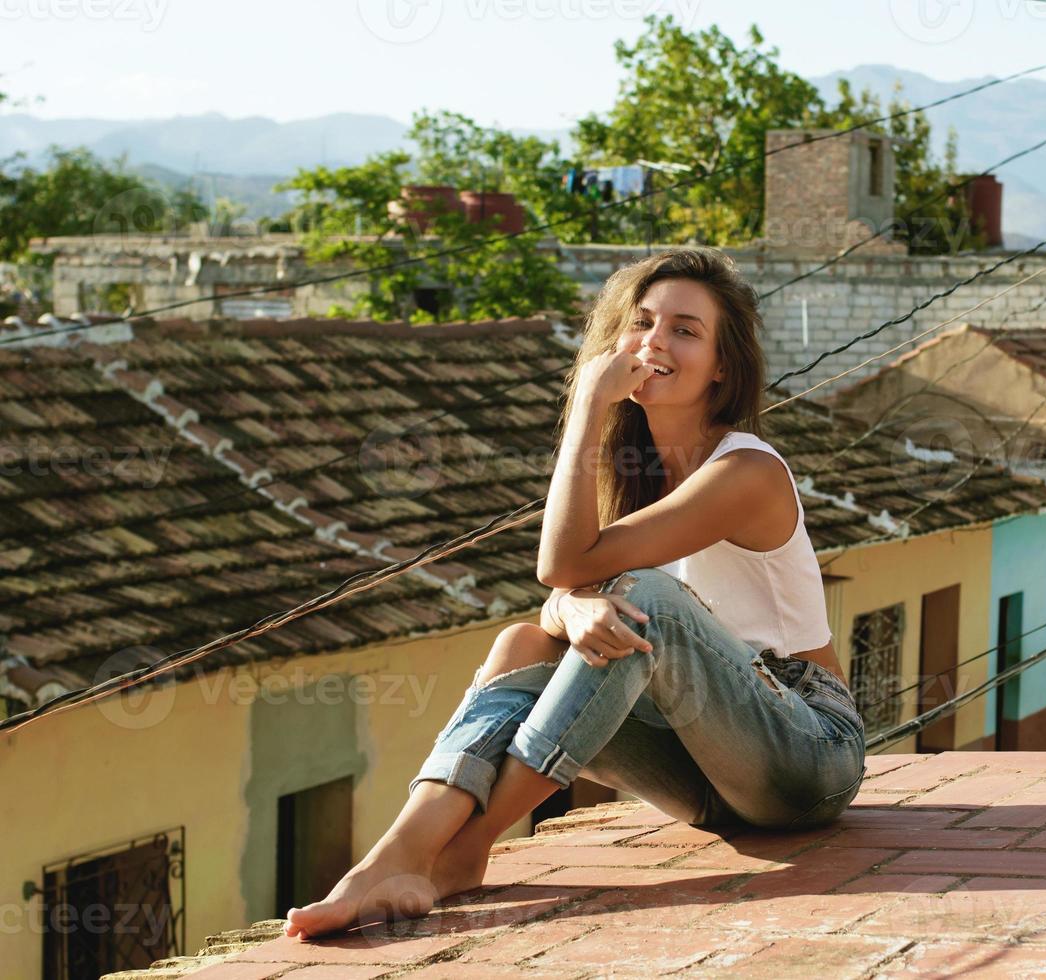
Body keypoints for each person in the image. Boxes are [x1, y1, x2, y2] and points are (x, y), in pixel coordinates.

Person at [284, 246, 865, 939]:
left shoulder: (744, 471)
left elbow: (560, 561)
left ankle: (465, 845)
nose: (654, 342)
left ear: (724, 367)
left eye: (685, 329)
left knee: (636, 609)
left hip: (808, 752)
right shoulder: (641, 476)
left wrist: (588, 404)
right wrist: (571, 604)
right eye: (642, 322)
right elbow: (561, 590)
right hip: (712, 780)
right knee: (522, 641)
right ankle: (399, 851)